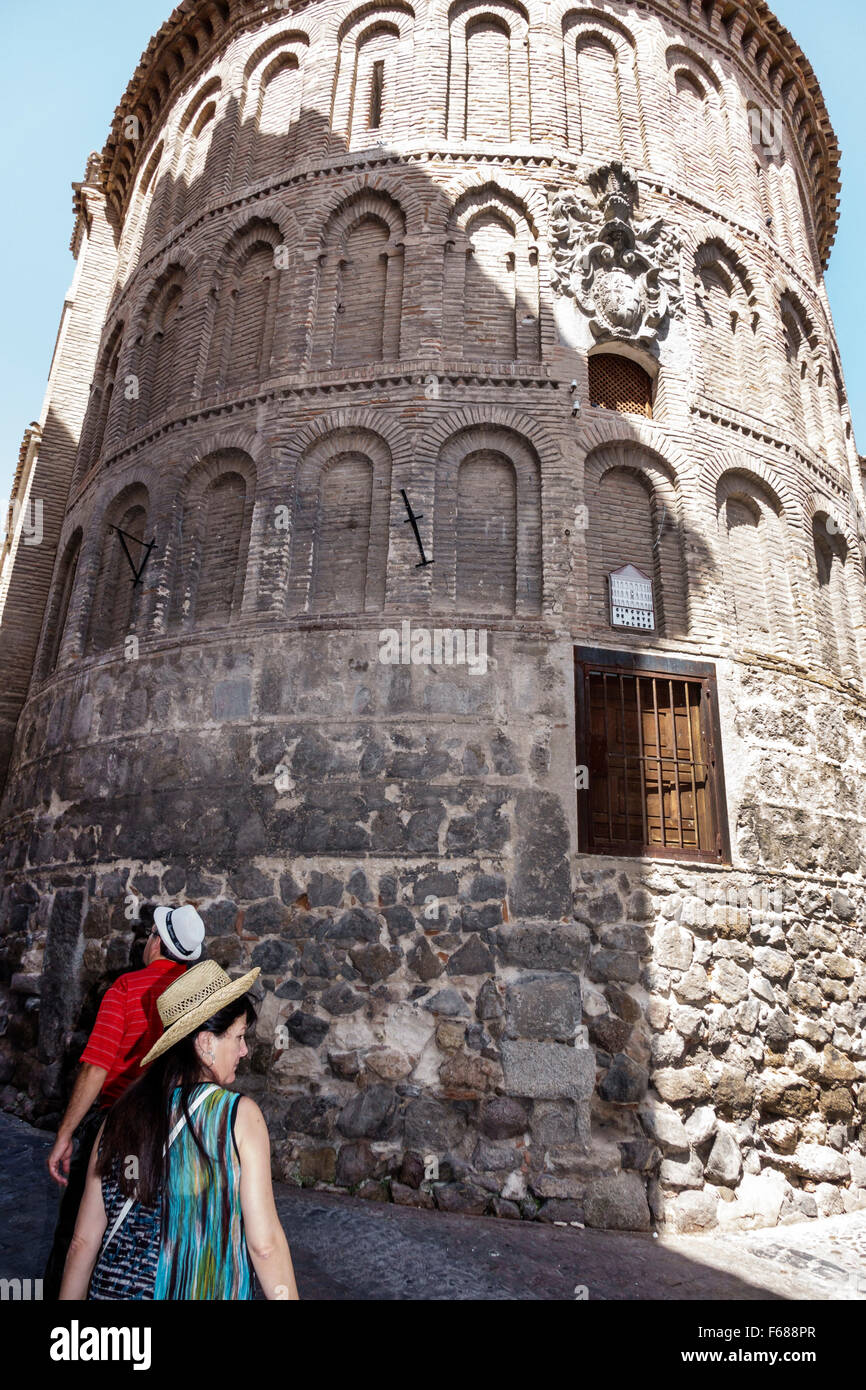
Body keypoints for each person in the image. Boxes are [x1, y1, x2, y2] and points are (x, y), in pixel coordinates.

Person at [59, 959, 299, 1301]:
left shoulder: (118, 1117)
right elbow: (264, 1245)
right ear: (205, 1043)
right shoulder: (237, 1117)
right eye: (239, 1037)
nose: (244, 1051)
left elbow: (82, 1242)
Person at [43, 902, 206, 1298]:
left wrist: (65, 1134)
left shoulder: (126, 989)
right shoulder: (198, 998)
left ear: (156, 943)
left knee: (80, 1230)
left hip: (119, 1129)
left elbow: (96, 1067)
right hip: (176, 1130)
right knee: (152, 1228)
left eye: (150, 934)